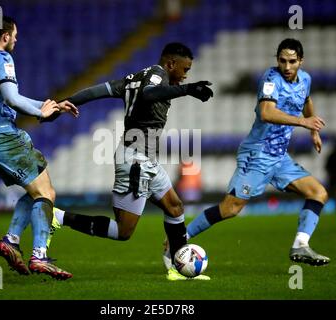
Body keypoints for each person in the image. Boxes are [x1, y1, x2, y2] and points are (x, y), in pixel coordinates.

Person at [47, 42, 213, 280]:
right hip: (135, 161)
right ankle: (59, 217)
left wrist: (63, 103)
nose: (186, 74)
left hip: (147, 160)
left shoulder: (133, 79)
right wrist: (187, 89)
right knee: (123, 231)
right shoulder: (157, 75)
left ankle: (177, 268)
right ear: (171, 64)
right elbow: (149, 93)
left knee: (175, 207)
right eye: (184, 69)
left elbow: (97, 91)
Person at [164, 38, 330, 268]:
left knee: (318, 193)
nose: (287, 66)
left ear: (301, 61)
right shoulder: (271, 79)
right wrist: (304, 121)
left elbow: (307, 100)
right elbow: (266, 113)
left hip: (279, 157)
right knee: (231, 208)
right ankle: (178, 239)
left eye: (292, 61)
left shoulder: (306, 80)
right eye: (282, 61)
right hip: (257, 154)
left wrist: (314, 131)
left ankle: (300, 245)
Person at [0, 16, 78, 280]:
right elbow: (12, 98)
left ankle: (11, 240)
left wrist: (51, 104)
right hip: (0, 134)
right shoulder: (3, 58)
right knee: (47, 193)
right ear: (5, 36)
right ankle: (39, 255)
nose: (16, 39)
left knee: (34, 191)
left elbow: (1, 97)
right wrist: (43, 114)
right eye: (14, 35)